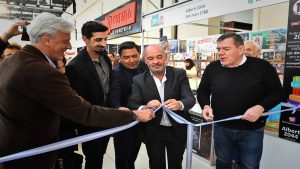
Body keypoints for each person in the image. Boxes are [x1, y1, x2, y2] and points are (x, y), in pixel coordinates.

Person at [0, 12, 155, 169]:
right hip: (32, 155)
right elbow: (84, 112)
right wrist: (133, 114)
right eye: (65, 41)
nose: (69, 46)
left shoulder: (12, 61)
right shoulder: (43, 71)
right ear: (47, 39)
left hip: (13, 147)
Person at [197, 32, 283, 169]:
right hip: (221, 127)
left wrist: (261, 107)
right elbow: (203, 91)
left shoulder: (262, 67)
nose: (221, 53)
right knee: (223, 162)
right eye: (219, 49)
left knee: (249, 165)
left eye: (226, 49)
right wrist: (206, 105)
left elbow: (278, 93)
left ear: (241, 49)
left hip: (251, 130)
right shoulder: (212, 68)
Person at [128, 44, 196, 169]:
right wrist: (145, 107)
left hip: (176, 129)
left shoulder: (179, 74)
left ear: (165, 57)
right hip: (153, 130)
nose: (156, 62)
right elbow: (133, 103)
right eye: (150, 58)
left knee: (176, 164)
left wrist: (179, 104)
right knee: (156, 164)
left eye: (159, 57)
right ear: (145, 61)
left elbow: (190, 99)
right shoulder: (138, 79)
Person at [64, 21, 113, 169]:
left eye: (105, 39)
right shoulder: (75, 67)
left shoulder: (104, 57)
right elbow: (78, 102)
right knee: (94, 157)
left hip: (108, 117)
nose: (103, 44)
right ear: (85, 39)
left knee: (101, 154)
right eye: (98, 40)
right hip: (91, 122)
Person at [108, 41, 147, 169]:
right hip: (124, 122)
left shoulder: (143, 66)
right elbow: (114, 96)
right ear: (120, 58)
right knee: (122, 159)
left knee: (132, 157)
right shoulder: (116, 73)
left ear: (139, 55)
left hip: (142, 121)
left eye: (134, 56)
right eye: (126, 57)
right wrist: (118, 108)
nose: (131, 60)